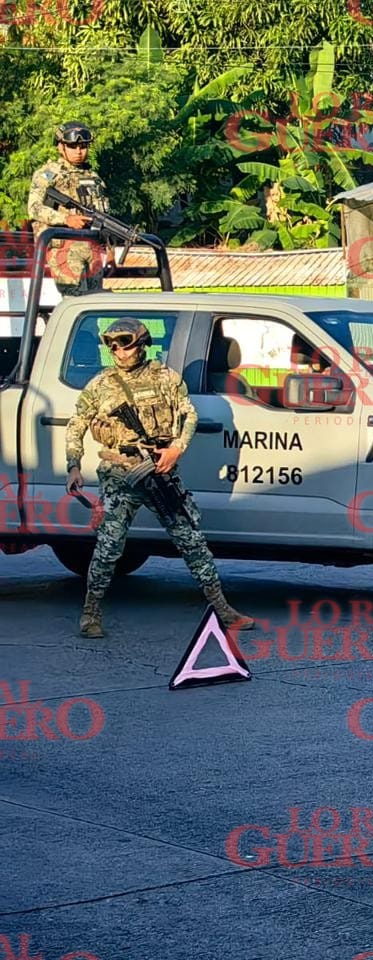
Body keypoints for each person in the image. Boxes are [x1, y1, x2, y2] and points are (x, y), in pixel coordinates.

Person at [64, 318, 253, 638]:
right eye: (112, 345)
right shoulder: (100, 385)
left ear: (142, 343)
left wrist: (177, 449)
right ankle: (90, 611)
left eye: (124, 343)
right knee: (109, 546)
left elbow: (188, 413)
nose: (118, 351)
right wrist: (73, 465)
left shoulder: (165, 378)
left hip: (159, 472)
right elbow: (77, 424)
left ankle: (222, 608)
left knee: (191, 541)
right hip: (120, 474)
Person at [27, 122, 114, 296]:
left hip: (93, 248)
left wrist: (110, 251)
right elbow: (34, 208)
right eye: (73, 146)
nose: (79, 151)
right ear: (61, 147)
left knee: (96, 301)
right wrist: (66, 219)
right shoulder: (49, 174)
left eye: (83, 146)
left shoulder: (93, 177)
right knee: (74, 300)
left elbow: (104, 217)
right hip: (64, 247)